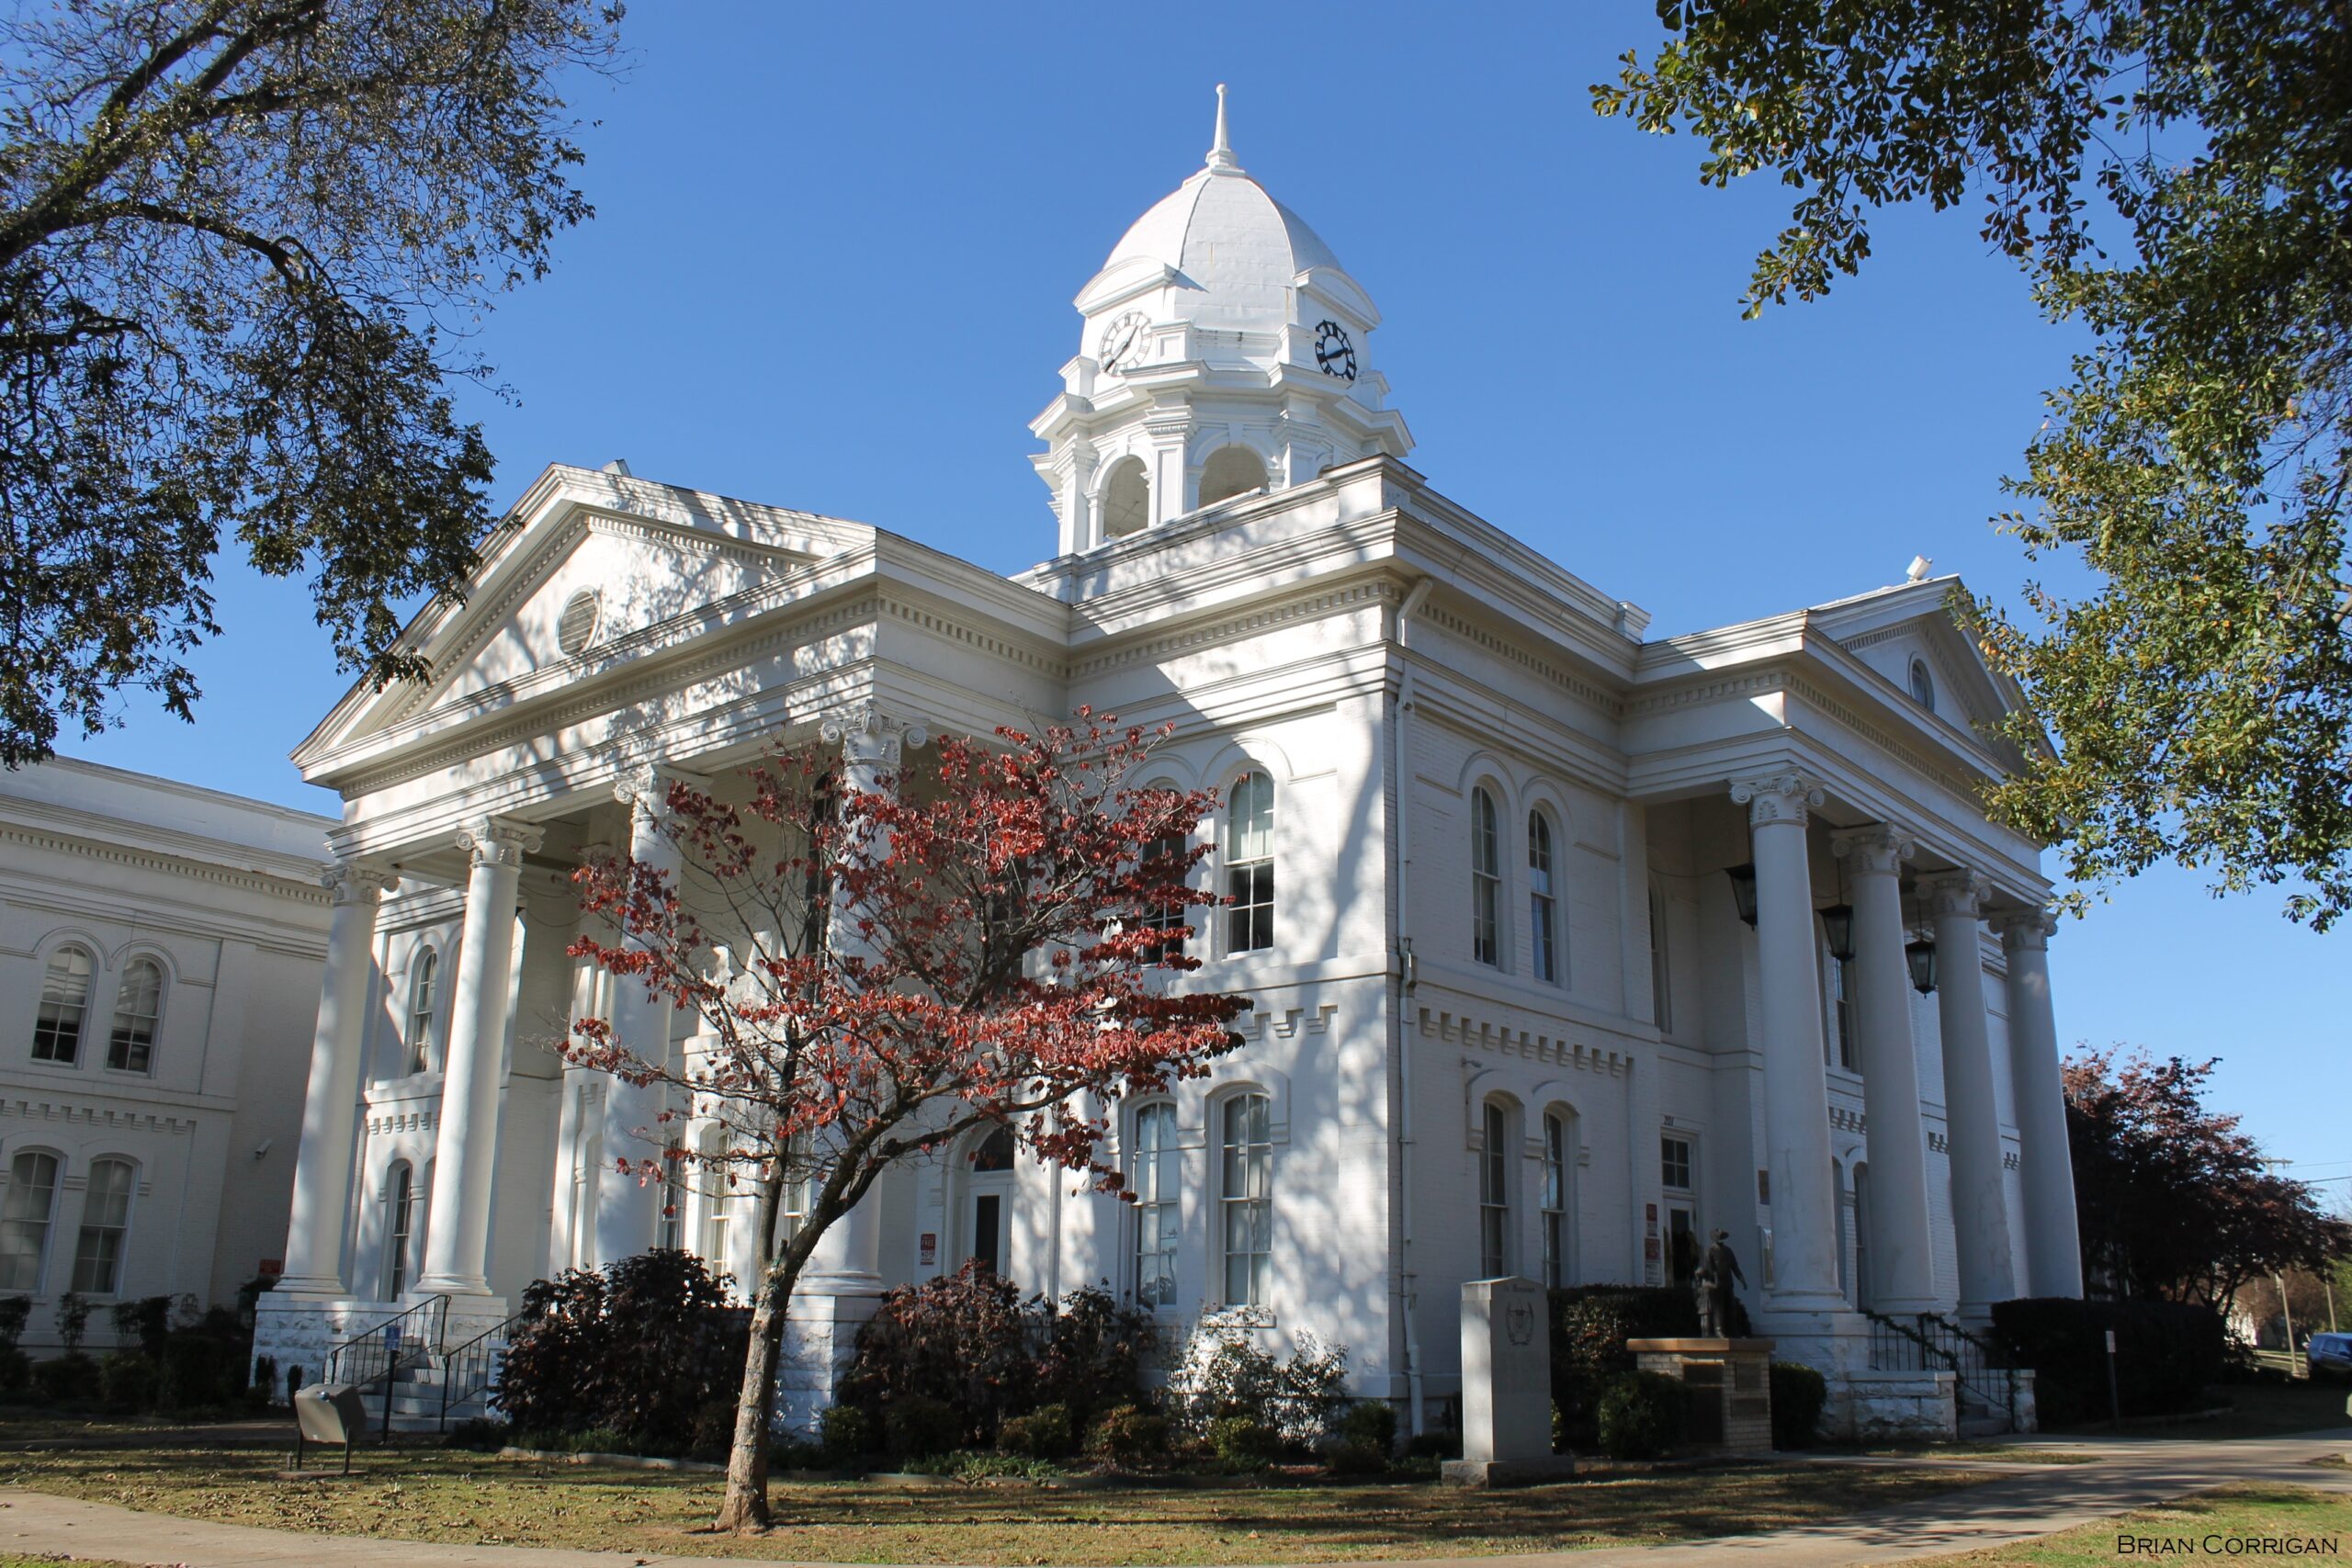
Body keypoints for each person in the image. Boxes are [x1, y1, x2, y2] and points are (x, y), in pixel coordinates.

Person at [1693, 1227, 1747, 1338]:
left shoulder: (1728, 1251)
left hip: (1728, 1283)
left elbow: (1735, 1267)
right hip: (1717, 1285)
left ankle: (1733, 1330)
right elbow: (1710, 1268)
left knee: (1731, 1307)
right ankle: (1719, 1330)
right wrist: (1715, 1281)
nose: (1720, 1240)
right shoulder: (1710, 1251)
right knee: (1718, 1309)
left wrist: (1742, 1279)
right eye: (1718, 1237)